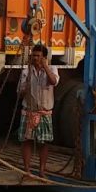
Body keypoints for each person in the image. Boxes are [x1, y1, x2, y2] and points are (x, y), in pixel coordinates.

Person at [17, 44, 59, 179]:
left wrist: (45, 66)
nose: (35, 58)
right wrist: (27, 82)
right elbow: (20, 93)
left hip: (44, 111)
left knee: (44, 142)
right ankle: (27, 171)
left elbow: (53, 81)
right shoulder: (26, 71)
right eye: (33, 56)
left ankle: (42, 170)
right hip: (28, 110)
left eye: (38, 56)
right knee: (26, 141)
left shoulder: (52, 69)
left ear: (44, 58)